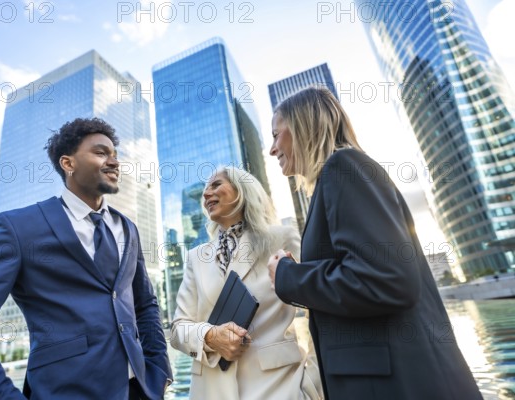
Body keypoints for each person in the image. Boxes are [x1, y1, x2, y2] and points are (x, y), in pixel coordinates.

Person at [267, 86, 482, 400]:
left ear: (302, 126)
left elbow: (386, 279)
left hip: (399, 385)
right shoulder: (336, 177)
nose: (272, 149)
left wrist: (287, 275)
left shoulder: (343, 167)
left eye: (276, 134)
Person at [0, 117, 172, 399]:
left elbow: (145, 305)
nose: (114, 162)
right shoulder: (19, 228)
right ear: (68, 163)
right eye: (100, 152)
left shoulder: (128, 229)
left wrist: (160, 368)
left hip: (141, 390)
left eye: (115, 154)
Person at [170, 166, 322, 400]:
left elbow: (320, 306)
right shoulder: (196, 257)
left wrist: (312, 384)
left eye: (216, 184)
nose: (206, 193)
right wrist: (210, 336)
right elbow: (178, 329)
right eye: (205, 189)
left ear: (242, 190)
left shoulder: (282, 238)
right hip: (211, 392)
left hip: (279, 388)